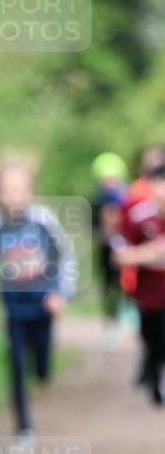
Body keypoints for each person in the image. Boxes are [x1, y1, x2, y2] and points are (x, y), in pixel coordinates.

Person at [0, 158, 77, 440]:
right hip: (14, 304)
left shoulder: (42, 220)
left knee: (42, 367)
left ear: (30, 191)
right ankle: (23, 426)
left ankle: (44, 369)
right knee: (17, 364)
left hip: (43, 301)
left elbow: (64, 255)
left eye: (19, 188)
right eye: (7, 189)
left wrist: (60, 292)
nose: (13, 194)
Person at [113, 146, 165, 405]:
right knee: (152, 338)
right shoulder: (137, 214)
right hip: (148, 295)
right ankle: (152, 371)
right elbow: (120, 254)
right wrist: (148, 254)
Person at [90, 151, 128, 342]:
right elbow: (93, 227)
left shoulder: (127, 198)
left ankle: (124, 315)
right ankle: (109, 320)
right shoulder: (97, 201)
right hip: (106, 250)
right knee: (108, 286)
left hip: (124, 250)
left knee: (124, 283)